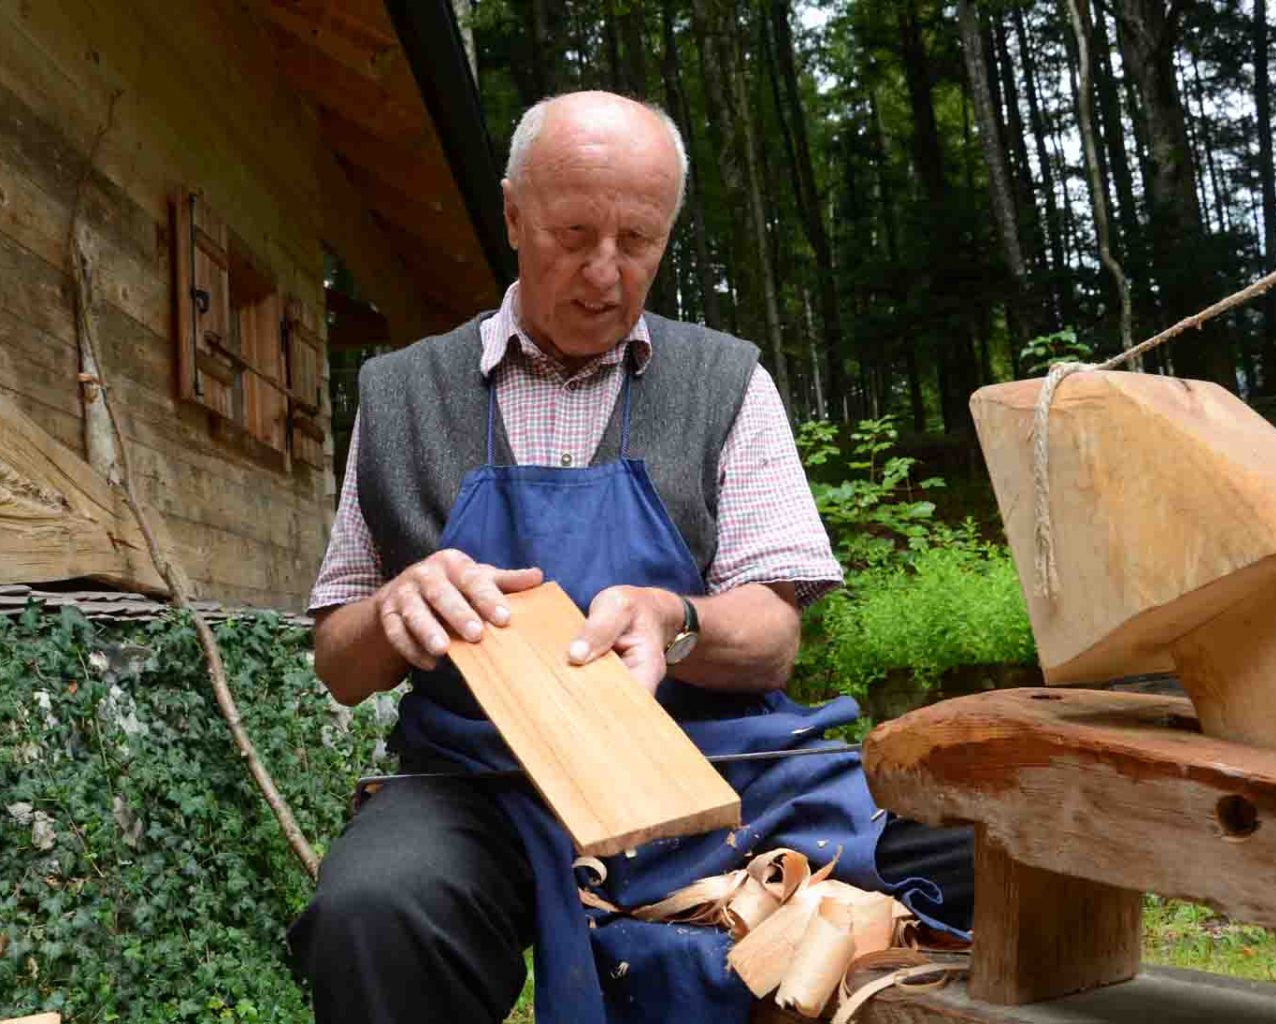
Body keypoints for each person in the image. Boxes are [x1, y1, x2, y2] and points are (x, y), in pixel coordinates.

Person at [288, 91, 972, 1024]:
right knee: (374, 911)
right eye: (572, 234)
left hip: (710, 759)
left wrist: (676, 621)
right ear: (514, 215)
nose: (606, 272)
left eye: (638, 241)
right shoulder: (403, 393)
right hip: (476, 777)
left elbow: (773, 635)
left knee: (972, 847)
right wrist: (394, 609)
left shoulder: (726, 380)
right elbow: (339, 662)